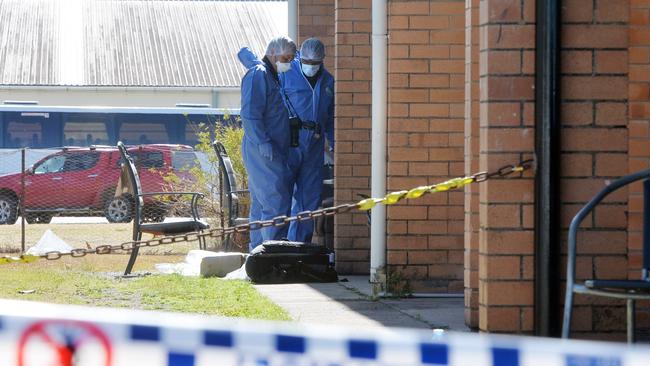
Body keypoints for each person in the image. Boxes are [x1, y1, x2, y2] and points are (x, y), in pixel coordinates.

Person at [238, 36, 297, 250]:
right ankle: (271, 250)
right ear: (273, 53)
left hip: (269, 148)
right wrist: (262, 141)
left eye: (291, 58)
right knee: (275, 199)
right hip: (262, 148)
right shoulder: (258, 75)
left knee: (263, 202)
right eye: (285, 57)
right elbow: (250, 114)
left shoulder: (269, 76)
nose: (288, 62)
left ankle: (258, 250)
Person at [280, 38, 335, 243]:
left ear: (322, 61)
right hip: (290, 141)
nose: (310, 67)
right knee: (281, 194)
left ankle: (298, 245)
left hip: (314, 145)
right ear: (299, 57)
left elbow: (330, 116)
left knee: (309, 199)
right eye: (306, 62)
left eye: (315, 63)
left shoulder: (328, 81)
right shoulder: (286, 74)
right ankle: (276, 245)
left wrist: (334, 140)